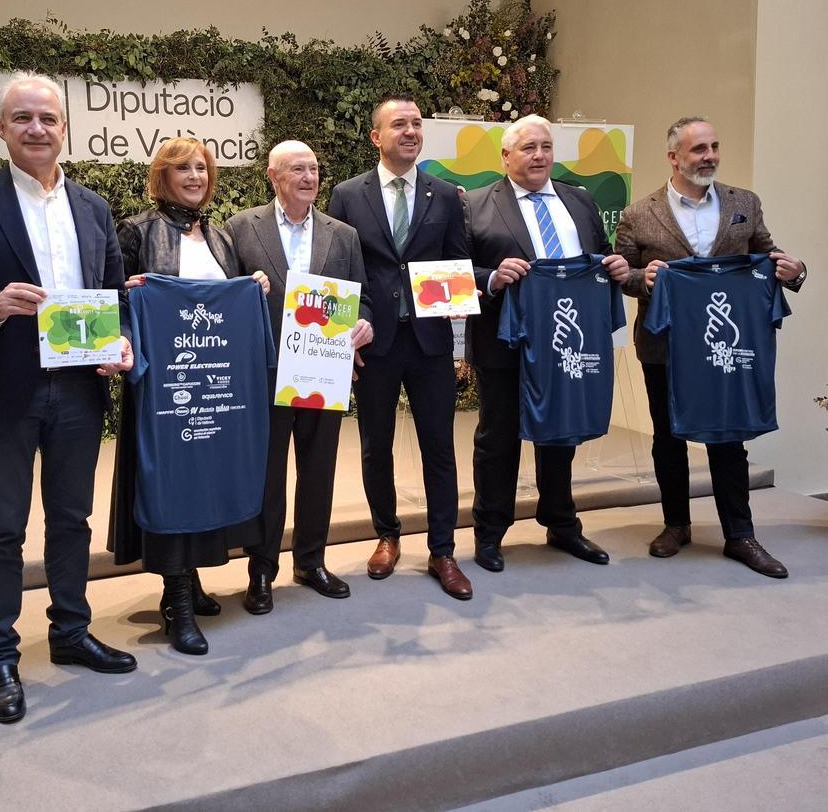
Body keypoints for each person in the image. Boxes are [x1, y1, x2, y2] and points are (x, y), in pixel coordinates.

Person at [0, 72, 136, 726]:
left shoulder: (94, 207)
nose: (37, 129)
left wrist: (118, 343)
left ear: (64, 128)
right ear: (2, 129)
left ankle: (70, 632)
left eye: (48, 118)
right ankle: (1, 656)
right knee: (3, 528)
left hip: (77, 391)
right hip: (4, 390)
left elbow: (115, 292)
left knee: (72, 521)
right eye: (23, 119)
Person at [615, 116, 806, 578]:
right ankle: (676, 524)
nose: (710, 157)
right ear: (674, 157)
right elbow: (623, 275)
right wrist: (646, 280)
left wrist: (795, 270)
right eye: (699, 149)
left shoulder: (745, 203)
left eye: (715, 147)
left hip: (726, 342)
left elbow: (769, 253)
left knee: (728, 436)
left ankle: (740, 534)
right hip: (666, 345)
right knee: (668, 435)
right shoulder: (639, 213)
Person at [108, 136, 270, 654]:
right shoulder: (136, 230)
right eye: (184, 169)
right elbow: (108, 299)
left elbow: (227, 303)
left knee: (205, 480)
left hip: (214, 390)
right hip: (164, 390)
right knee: (171, 486)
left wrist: (255, 286)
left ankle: (194, 580)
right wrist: (130, 299)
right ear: (164, 176)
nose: (196, 176)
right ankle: (175, 598)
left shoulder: (221, 238)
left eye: (202, 167)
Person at [463, 115, 629, 573]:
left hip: (566, 340)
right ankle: (490, 532)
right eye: (528, 148)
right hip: (504, 341)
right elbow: (455, 271)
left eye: (546, 147)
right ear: (506, 156)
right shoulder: (474, 205)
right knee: (498, 439)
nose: (539, 156)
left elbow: (597, 258)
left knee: (562, 434)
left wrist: (614, 268)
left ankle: (561, 524)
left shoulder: (580, 200)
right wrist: (492, 277)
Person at [327, 95, 473, 599]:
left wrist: (458, 308)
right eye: (399, 125)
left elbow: (457, 261)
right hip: (376, 342)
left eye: (416, 124)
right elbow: (340, 271)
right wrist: (348, 332)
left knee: (439, 447)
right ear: (376, 137)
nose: (410, 132)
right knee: (375, 446)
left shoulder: (446, 196)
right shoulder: (347, 196)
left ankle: (443, 550)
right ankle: (386, 534)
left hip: (431, 341)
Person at [226, 140, 374, 614]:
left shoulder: (343, 235)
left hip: (324, 373)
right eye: (297, 169)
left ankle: (311, 561)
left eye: (314, 168)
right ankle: (261, 571)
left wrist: (363, 322)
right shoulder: (240, 228)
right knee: (267, 477)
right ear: (273, 176)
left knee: (318, 471)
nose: (309, 177)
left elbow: (362, 297)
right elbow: (225, 297)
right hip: (265, 374)